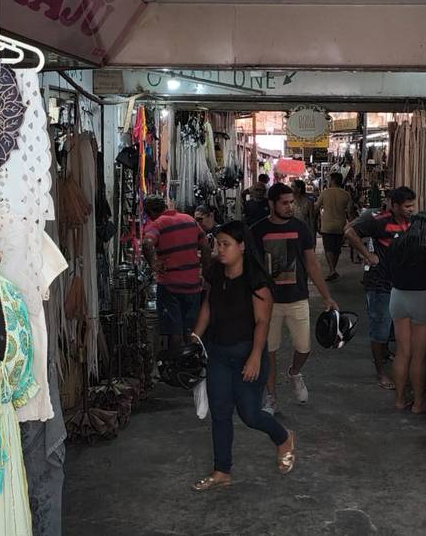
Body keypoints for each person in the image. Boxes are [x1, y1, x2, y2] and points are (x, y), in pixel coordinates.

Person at [190, 221, 296, 491]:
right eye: (217, 244)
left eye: (225, 244)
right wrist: (195, 338)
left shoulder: (256, 281)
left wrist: (255, 356)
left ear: (242, 247)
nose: (219, 250)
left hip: (246, 354)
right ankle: (221, 470)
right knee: (220, 413)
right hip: (218, 353)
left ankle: (283, 437)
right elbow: (207, 308)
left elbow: (263, 322)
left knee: (249, 414)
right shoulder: (215, 273)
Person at [252, 183, 338, 414]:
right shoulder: (257, 231)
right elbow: (253, 268)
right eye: (285, 203)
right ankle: (271, 397)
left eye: (292, 202)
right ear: (272, 204)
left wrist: (326, 296)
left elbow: (311, 263)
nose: (290, 207)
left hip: (298, 297)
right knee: (268, 351)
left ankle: (294, 372)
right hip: (268, 302)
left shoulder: (301, 228)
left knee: (304, 347)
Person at [344, 187, 416, 390]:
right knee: (380, 329)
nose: (411, 209)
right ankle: (381, 373)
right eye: (407, 206)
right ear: (394, 205)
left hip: (400, 283)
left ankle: (386, 356)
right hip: (379, 283)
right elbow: (349, 231)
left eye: (412, 205)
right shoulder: (377, 220)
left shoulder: (410, 222)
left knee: (392, 327)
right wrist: (368, 255)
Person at [388, 211, 426, 413]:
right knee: (419, 356)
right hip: (424, 299)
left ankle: (399, 400)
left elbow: (388, 270)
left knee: (403, 352)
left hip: (398, 298)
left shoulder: (397, 244)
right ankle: (419, 403)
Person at [142, 195, 211, 349]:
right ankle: (192, 364)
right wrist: (205, 274)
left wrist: (153, 263)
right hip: (193, 285)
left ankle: (176, 366)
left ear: (152, 212)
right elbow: (206, 247)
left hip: (170, 286)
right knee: (191, 329)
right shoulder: (189, 219)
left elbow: (147, 243)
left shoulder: (157, 224)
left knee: (175, 331)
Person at [315, 172, 355, 281]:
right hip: (340, 225)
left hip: (327, 224)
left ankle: (332, 270)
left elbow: (316, 207)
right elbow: (350, 212)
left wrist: (316, 219)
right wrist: (351, 225)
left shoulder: (325, 193)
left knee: (328, 248)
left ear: (332, 180)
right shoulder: (346, 194)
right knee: (337, 249)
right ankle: (332, 270)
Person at [292, 179, 317, 246]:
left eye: (293, 187)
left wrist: (313, 238)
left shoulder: (308, 203)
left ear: (299, 189)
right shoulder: (290, 202)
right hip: (293, 234)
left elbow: (312, 221)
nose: (291, 188)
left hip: (304, 234)